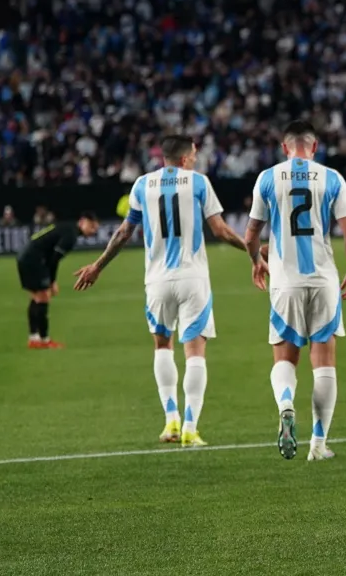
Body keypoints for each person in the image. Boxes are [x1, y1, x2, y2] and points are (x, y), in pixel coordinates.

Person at [73, 135, 247, 447]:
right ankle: (191, 427)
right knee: (195, 351)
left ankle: (171, 422)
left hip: (156, 281)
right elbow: (220, 231)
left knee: (162, 346)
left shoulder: (142, 185)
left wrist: (97, 266)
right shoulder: (198, 183)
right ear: (184, 158)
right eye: (193, 155)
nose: (194, 160)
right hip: (193, 278)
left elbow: (125, 232)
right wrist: (254, 252)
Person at [244, 121, 346, 461]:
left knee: (285, 357)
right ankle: (318, 445)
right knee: (324, 363)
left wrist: (256, 260)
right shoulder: (332, 178)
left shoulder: (268, 178)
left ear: (285, 148)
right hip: (324, 281)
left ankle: (285, 406)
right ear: (314, 147)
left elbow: (251, 235)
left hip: (285, 282)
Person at [16, 211, 100, 349]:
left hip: (25, 256)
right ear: (82, 221)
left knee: (36, 297)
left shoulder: (66, 227)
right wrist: (52, 281)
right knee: (43, 298)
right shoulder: (71, 235)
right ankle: (44, 340)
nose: (93, 232)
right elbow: (54, 259)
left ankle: (34, 338)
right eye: (91, 227)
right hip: (33, 259)